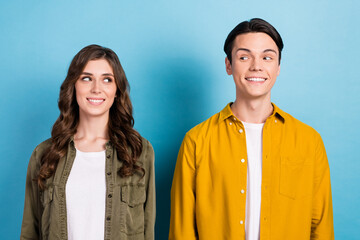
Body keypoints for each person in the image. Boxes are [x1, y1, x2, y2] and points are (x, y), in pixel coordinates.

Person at [169, 18, 334, 239]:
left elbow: (321, 226)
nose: (256, 66)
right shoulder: (197, 140)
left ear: (278, 67)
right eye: (244, 57)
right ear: (229, 65)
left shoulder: (308, 140)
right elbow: (182, 229)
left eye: (267, 57)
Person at [21, 45, 155, 240]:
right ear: (73, 85)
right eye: (86, 78)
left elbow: (148, 228)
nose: (96, 89)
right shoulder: (44, 154)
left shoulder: (139, 151)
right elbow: (29, 232)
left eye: (107, 79)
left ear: (117, 90)